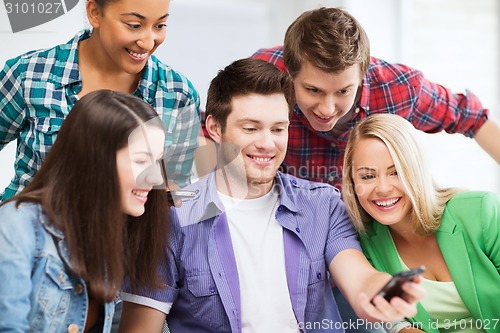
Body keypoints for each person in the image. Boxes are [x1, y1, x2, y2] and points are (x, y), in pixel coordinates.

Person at [117, 58, 425, 333]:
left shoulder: (323, 205)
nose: (267, 144)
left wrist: (382, 290)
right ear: (214, 128)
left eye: (278, 129)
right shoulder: (172, 217)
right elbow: (141, 327)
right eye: (251, 128)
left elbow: (359, 278)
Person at [249, 6, 499, 190]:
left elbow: (473, 118)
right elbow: (212, 126)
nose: (326, 109)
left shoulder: (399, 88)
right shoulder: (264, 74)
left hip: (373, 225)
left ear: (362, 73)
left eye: (343, 91)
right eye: (313, 90)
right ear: (290, 74)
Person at [0, 90, 172, 332]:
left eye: (158, 161)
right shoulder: (17, 225)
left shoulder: (116, 236)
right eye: (142, 161)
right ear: (95, 159)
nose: (155, 178)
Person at [0, 0, 200, 202]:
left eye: (159, 25)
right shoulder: (29, 75)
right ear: (94, 12)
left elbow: (174, 191)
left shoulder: (178, 96)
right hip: (28, 229)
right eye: (134, 25)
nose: (148, 43)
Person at [342, 113, 500, 333]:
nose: (383, 188)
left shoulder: (482, 211)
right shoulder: (366, 244)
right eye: (368, 176)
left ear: (416, 170)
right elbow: (397, 323)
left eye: (396, 172)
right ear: (352, 181)